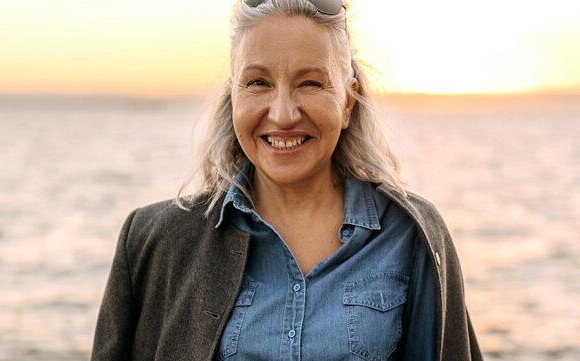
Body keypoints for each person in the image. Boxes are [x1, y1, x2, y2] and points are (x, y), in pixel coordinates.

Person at [91, 0, 483, 360]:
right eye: (258, 83)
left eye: (310, 83)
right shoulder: (152, 241)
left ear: (347, 101)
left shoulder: (413, 236)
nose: (282, 114)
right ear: (234, 97)